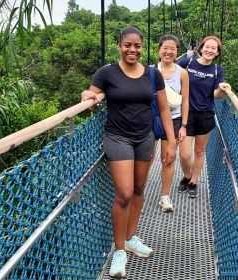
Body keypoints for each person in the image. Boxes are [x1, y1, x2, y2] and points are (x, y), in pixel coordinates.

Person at [81, 27, 176, 278]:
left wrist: (171, 141)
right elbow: (90, 99)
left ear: (142, 47)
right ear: (120, 46)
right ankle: (119, 251)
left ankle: (132, 238)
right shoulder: (107, 73)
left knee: (138, 190)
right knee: (123, 193)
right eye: (127, 45)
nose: (132, 50)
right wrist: (87, 96)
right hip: (117, 137)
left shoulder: (153, 74)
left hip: (145, 138)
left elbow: (164, 110)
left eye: (137, 46)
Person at [177, 35, 231, 198]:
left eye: (213, 48)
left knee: (199, 151)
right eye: (207, 47)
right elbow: (170, 72)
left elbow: (216, 95)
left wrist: (221, 89)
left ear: (217, 53)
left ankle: (193, 181)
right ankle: (186, 175)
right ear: (201, 48)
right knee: (185, 154)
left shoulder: (217, 70)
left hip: (206, 115)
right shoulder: (188, 63)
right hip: (187, 114)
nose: (209, 50)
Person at [155, 34, 189, 212]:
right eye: (165, 48)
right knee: (146, 158)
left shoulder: (182, 73)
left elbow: (185, 101)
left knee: (168, 158)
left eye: (172, 49)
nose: (168, 51)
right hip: (152, 118)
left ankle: (164, 197)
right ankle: (138, 195)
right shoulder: (150, 70)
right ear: (159, 50)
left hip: (174, 120)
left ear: (177, 52)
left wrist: (184, 126)